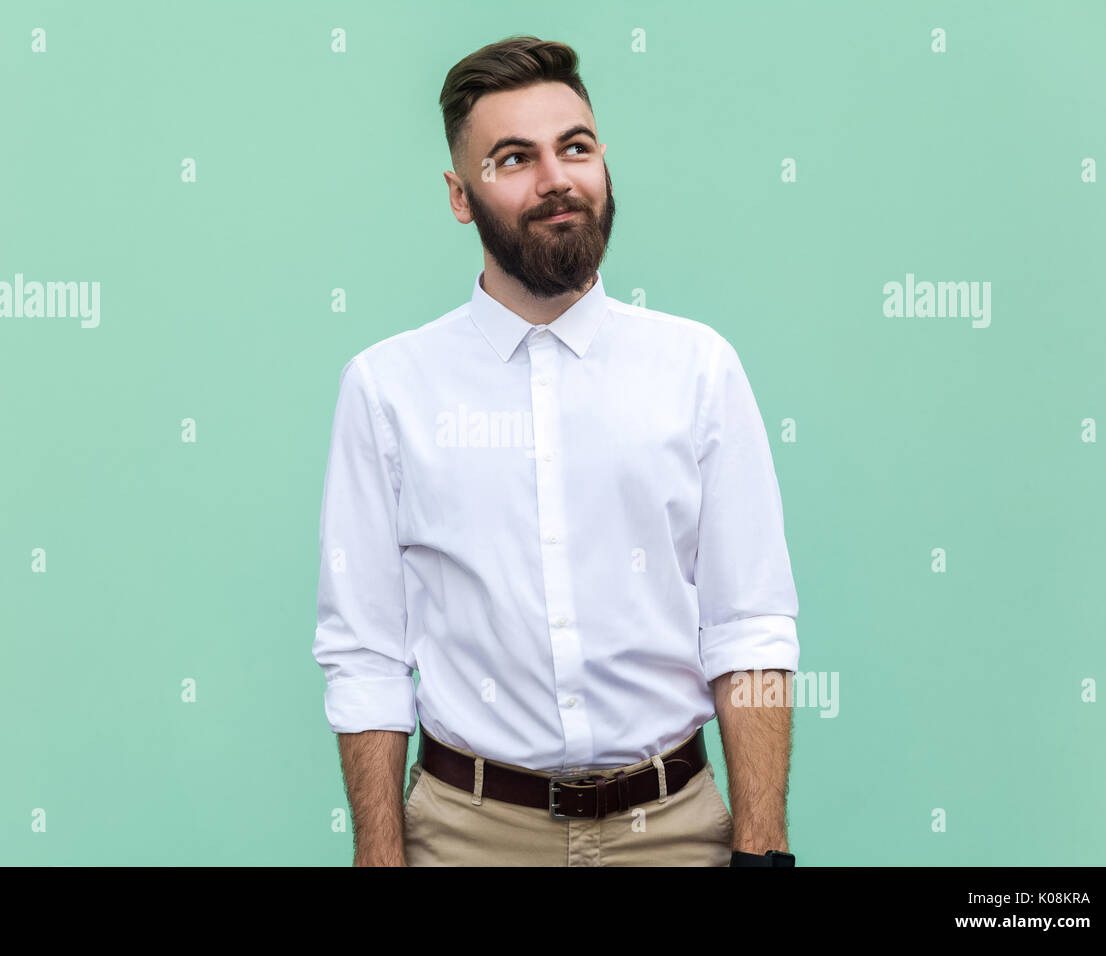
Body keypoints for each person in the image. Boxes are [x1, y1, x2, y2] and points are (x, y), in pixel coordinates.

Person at [312, 35, 800, 867]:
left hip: (675, 832)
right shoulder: (386, 388)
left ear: (603, 161)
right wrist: (379, 856)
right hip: (467, 838)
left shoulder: (698, 368)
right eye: (513, 158)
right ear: (460, 196)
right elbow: (366, 653)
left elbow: (749, 625)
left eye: (575, 148)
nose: (555, 180)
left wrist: (761, 849)